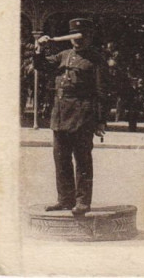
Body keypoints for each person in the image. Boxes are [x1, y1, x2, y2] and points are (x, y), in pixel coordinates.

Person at [33, 18, 108, 215]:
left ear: (89, 37)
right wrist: (40, 48)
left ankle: (82, 201)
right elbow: (41, 66)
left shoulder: (96, 59)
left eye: (82, 36)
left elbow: (102, 91)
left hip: (82, 115)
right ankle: (65, 199)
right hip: (60, 114)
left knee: (82, 161)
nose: (78, 40)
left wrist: (100, 120)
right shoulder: (63, 55)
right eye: (74, 36)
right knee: (61, 159)